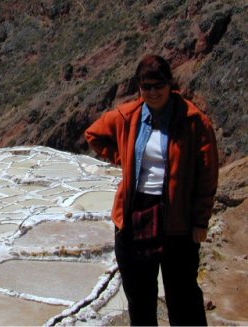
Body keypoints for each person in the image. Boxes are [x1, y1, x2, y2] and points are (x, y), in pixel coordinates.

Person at [85, 55, 219, 326]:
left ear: (170, 84)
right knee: (140, 300)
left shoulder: (193, 121)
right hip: (135, 218)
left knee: (183, 299)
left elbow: (207, 175)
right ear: (139, 87)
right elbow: (94, 135)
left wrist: (200, 221)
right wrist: (124, 158)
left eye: (159, 85)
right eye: (147, 86)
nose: (153, 92)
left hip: (178, 222)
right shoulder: (127, 116)